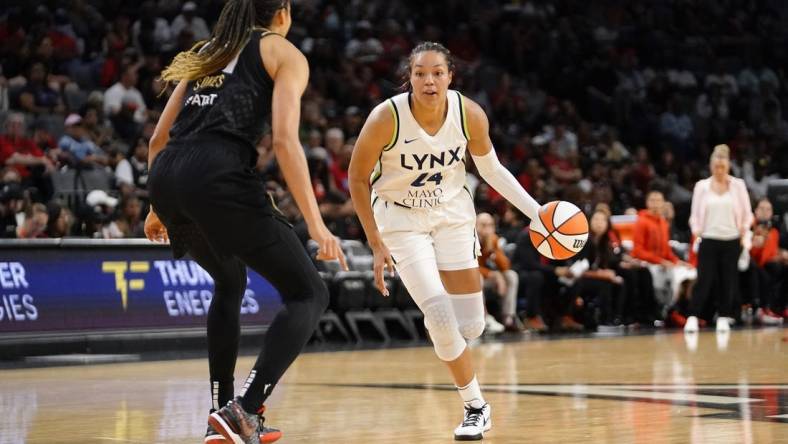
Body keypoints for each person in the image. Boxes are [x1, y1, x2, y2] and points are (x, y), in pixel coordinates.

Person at [144, 1, 347, 443]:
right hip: (218, 176)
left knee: (230, 280)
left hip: (168, 176)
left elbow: (159, 138)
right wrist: (316, 223)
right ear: (283, 12)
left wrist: (158, 205)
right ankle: (246, 409)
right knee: (309, 293)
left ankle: (220, 413)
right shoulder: (282, 52)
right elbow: (285, 141)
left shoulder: (208, 49)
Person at [348, 42, 541, 441]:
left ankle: (455, 341)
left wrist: (537, 212)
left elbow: (493, 171)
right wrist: (375, 242)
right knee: (438, 315)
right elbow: (356, 178)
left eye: (437, 72)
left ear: (450, 76)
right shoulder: (386, 117)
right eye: (420, 73)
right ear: (410, 77)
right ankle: (475, 406)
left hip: (452, 215)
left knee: (470, 324)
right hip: (400, 219)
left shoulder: (469, 114)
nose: (429, 80)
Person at [685, 144, 752, 333]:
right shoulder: (702, 186)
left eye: (723, 166)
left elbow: (747, 214)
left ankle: (723, 316)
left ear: (728, 165)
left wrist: (742, 233)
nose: (719, 169)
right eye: (716, 165)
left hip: (731, 239)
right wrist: (697, 232)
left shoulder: (738, 185)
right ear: (711, 165)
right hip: (708, 238)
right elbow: (695, 215)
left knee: (728, 280)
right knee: (704, 280)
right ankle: (692, 316)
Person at [631, 190, 696, 311]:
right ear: (647, 203)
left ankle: (684, 309)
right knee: (673, 276)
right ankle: (667, 309)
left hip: (661, 263)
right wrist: (660, 261)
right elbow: (638, 251)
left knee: (689, 272)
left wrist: (677, 261)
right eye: (652, 200)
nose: (655, 204)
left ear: (663, 203)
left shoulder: (663, 223)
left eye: (658, 201)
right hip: (646, 263)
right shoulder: (641, 221)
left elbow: (666, 251)